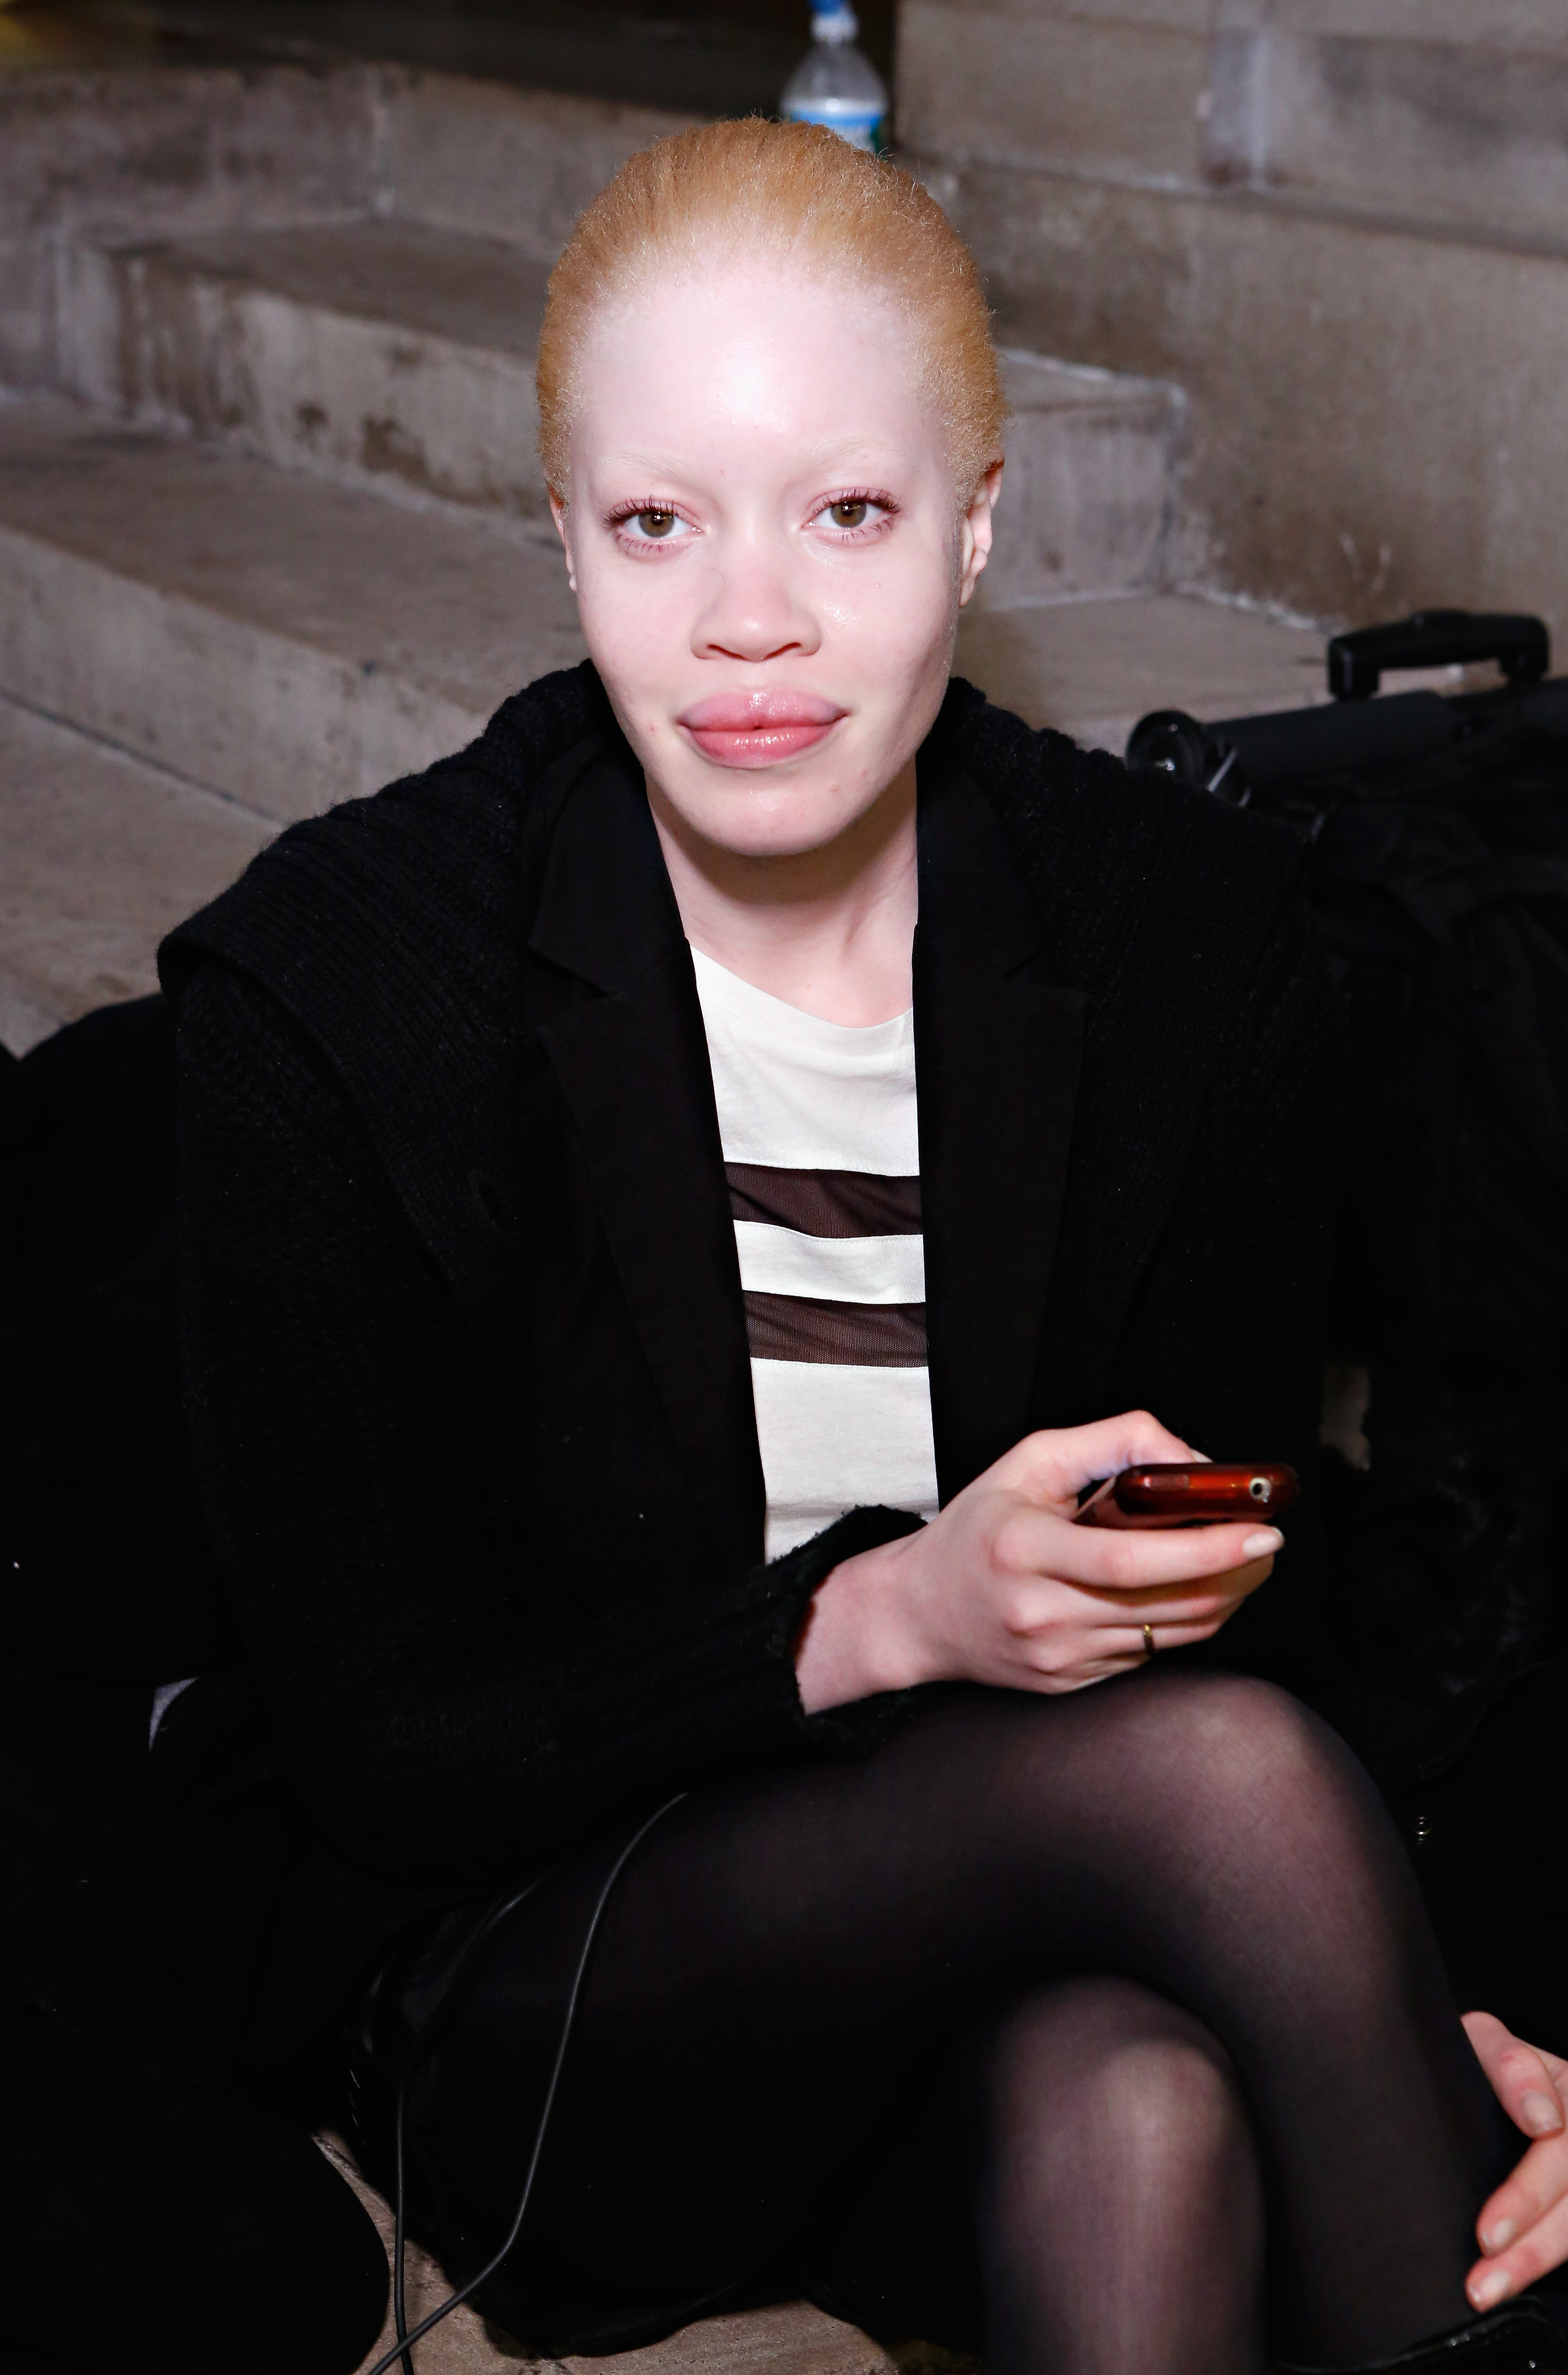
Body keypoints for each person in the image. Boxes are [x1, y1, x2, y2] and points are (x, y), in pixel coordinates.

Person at [4, 119, 1568, 2375]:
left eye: (846, 512)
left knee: (1138, 2113)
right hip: (549, 1957)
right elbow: (383, 1753)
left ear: (978, 521)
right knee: (1212, 1794)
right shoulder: (346, 989)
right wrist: (880, 1615)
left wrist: (1446, 2009)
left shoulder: (1191, 941)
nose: (752, 616)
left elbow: (1243, 1565)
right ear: (564, 535)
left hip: (1037, 1910)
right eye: (660, 522)